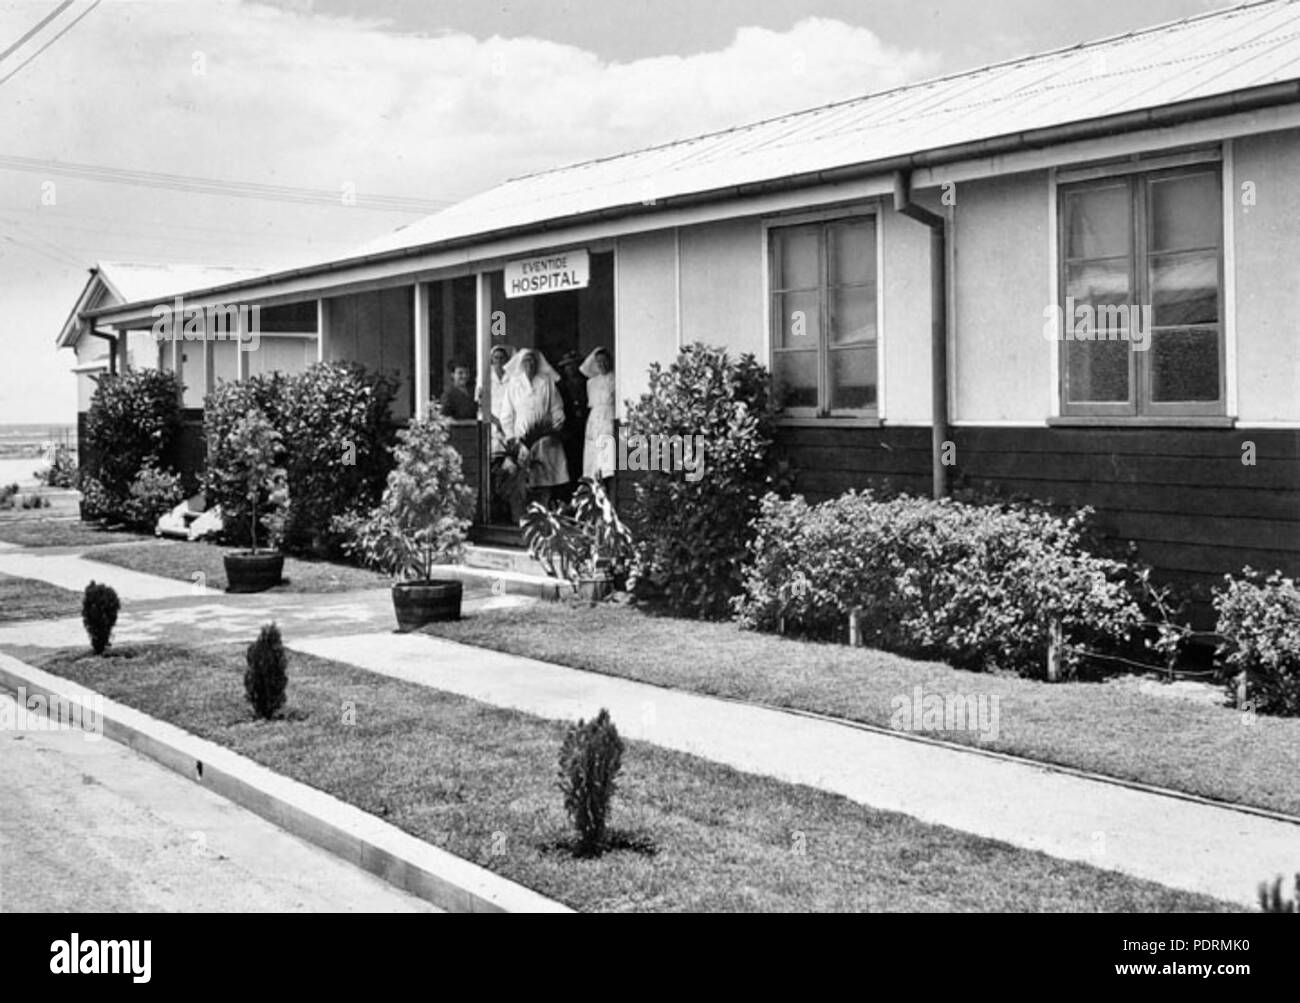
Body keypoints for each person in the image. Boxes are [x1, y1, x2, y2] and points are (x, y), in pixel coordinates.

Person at [500, 348, 569, 512]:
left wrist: (555, 427)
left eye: (532, 361)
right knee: (525, 478)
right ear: (520, 364)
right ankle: (525, 514)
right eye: (526, 361)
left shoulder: (546, 382)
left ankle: (544, 512)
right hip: (522, 437)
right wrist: (512, 438)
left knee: (545, 477)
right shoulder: (514, 384)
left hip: (544, 437)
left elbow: (557, 408)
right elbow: (506, 415)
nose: (529, 364)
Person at [581, 347, 616, 496]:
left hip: (609, 416)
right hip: (594, 419)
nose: (601, 364)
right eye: (598, 362)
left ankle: (607, 497)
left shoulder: (615, 378)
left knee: (607, 460)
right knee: (593, 460)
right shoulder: (591, 382)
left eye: (604, 361)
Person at [554, 350, 588, 503]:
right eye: (568, 366)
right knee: (568, 465)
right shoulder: (560, 386)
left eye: (574, 365)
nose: (571, 369)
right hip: (567, 430)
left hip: (585, 429)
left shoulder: (588, 383)